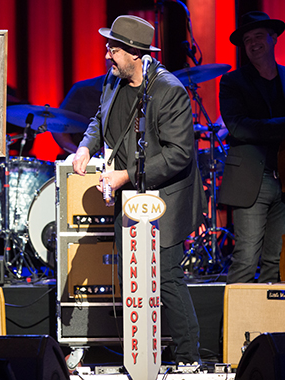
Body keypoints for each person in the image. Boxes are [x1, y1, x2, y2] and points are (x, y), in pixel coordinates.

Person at [72, 15, 205, 365]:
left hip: (167, 197)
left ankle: (189, 357)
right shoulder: (113, 80)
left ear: (134, 53)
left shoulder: (169, 90)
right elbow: (98, 121)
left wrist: (124, 176)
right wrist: (86, 147)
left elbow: (179, 154)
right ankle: (144, 353)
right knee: (131, 274)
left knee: (166, 276)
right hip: (130, 195)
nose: (106, 56)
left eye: (113, 50)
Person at [218, 11, 285, 284]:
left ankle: (268, 326)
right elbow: (238, 127)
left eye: (259, 36)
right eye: (247, 40)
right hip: (251, 181)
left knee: (277, 260)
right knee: (246, 258)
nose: (253, 43)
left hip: (284, 179)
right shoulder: (233, 81)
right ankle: (232, 327)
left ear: (274, 38)